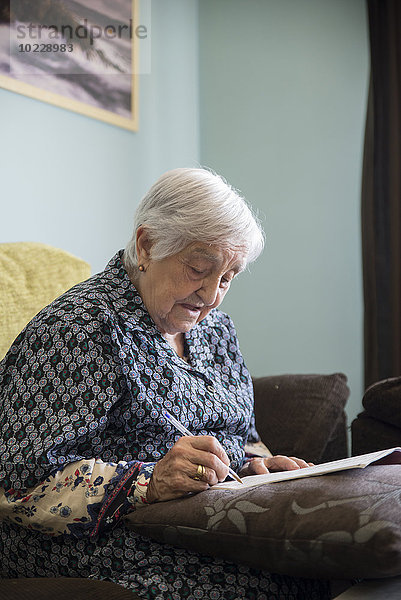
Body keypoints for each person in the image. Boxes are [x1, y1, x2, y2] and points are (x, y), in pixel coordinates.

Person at [0, 168, 330, 599]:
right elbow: (18, 483)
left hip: (202, 515)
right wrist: (149, 481)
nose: (212, 294)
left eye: (228, 278)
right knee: (254, 583)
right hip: (92, 536)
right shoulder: (78, 328)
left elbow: (243, 436)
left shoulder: (216, 330)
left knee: (316, 560)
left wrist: (257, 467)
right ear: (147, 245)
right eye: (198, 269)